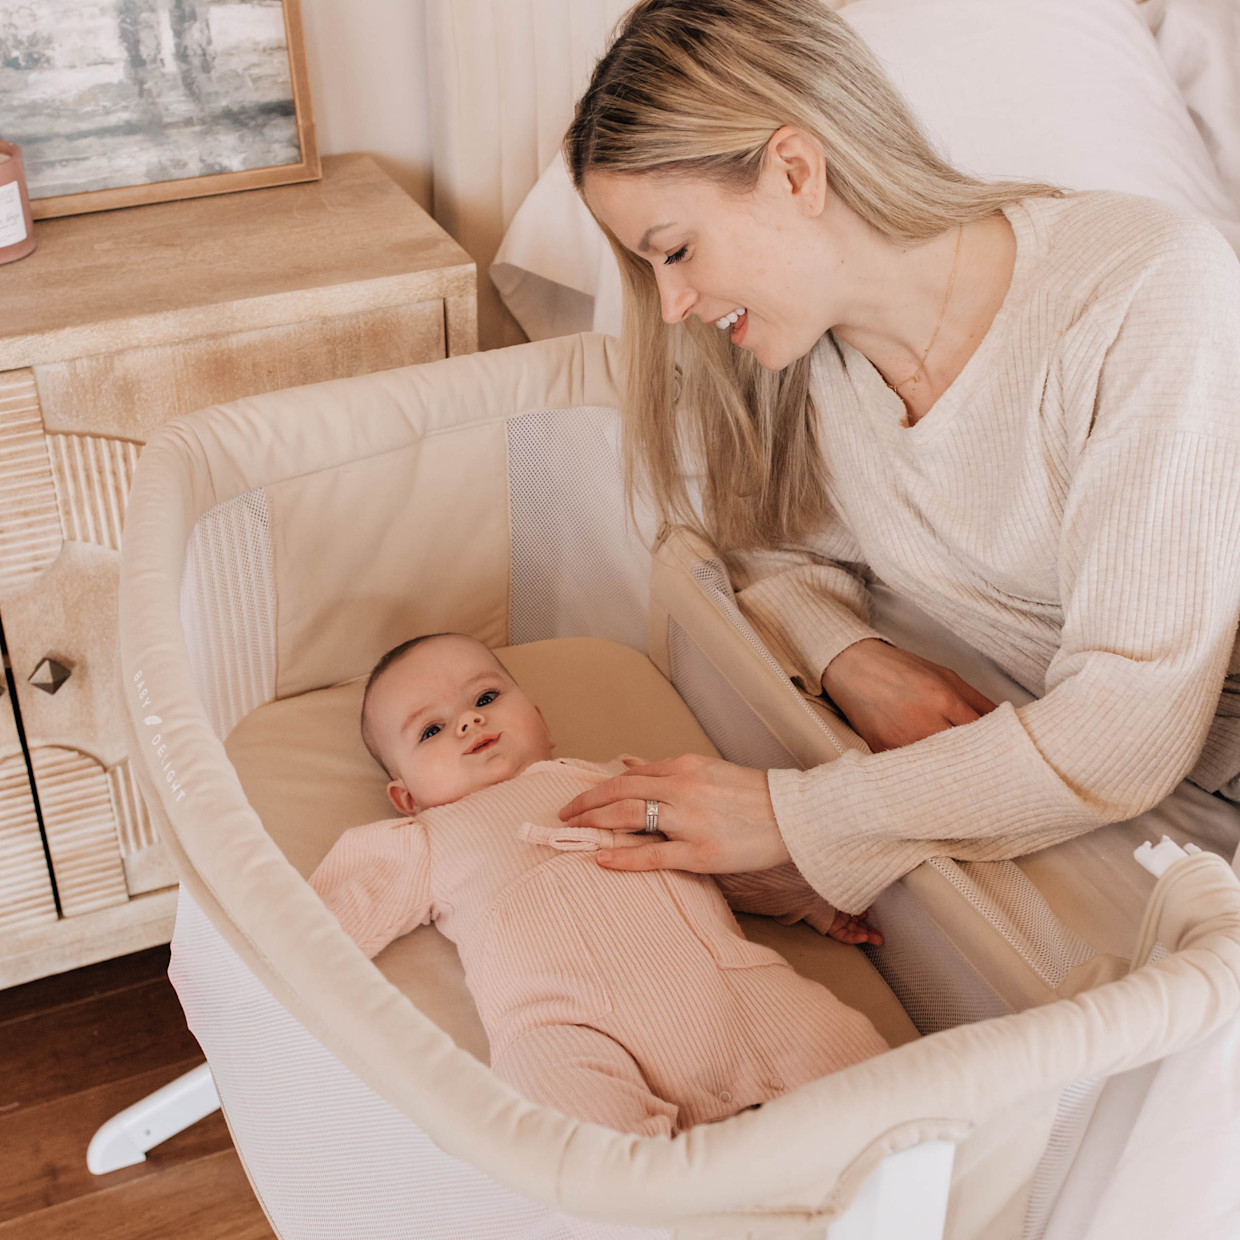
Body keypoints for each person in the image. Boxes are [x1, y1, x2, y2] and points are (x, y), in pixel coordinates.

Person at [555, 0, 1240, 915]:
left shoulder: (1147, 292)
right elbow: (762, 546)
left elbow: (1130, 722)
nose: (671, 301)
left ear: (796, 170)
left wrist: (792, 815)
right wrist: (854, 659)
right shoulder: (806, 357)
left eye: (675, 251)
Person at [309, 632, 888, 1138]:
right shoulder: (424, 838)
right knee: (571, 1140)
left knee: (851, 1062)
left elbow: (719, 847)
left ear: (541, 721)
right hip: (568, 1027)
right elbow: (316, 922)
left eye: (485, 698)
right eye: (431, 729)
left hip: (728, 986)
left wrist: (804, 897)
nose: (469, 721)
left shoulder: (619, 780)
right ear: (406, 797)